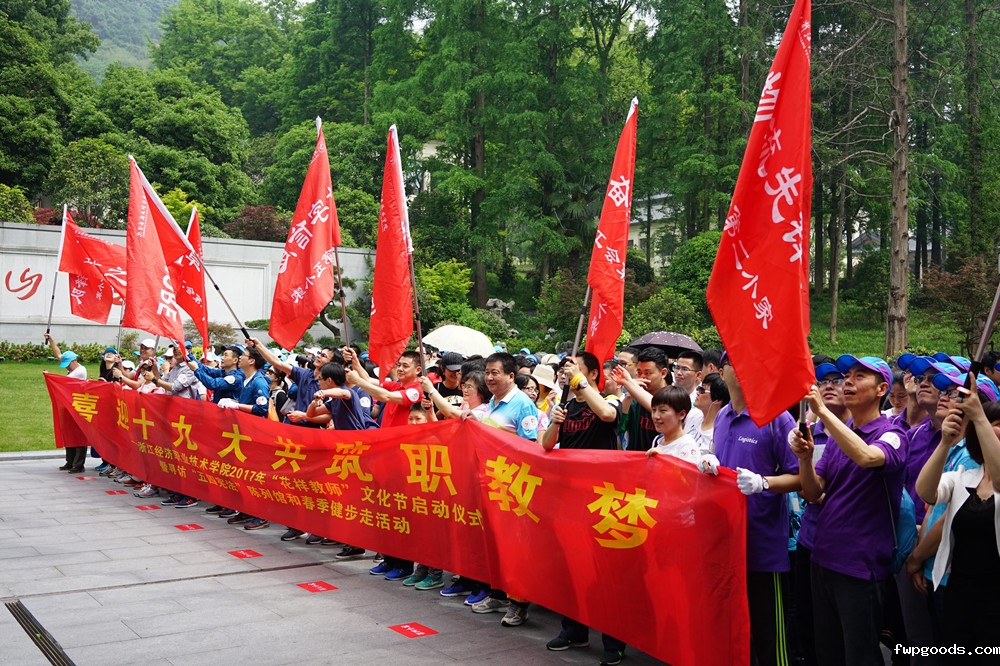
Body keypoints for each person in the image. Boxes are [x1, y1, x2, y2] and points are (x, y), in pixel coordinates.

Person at [790, 355, 907, 666]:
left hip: (860, 565)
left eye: (859, 376)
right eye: (847, 376)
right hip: (822, 558)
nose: (849, 382)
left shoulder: (893, 434)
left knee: (860, 654)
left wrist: (822, 413)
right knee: (827, 651)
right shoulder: (839, 436)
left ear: (882, 389)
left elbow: (868, 457)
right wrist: (805, 459)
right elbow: (813, 492)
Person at [715, 352, 801, 666]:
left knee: (770, 635)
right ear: (721, 372)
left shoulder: (777, 418)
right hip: (727, 543)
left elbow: (800, 477)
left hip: (763, 545)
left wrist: (764, 483)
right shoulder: (722, 416)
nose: (742, 367)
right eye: (733, 361)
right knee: (735, 629)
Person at [541, 352, 627, 665]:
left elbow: (607, 415)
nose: (567, 372)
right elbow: (547, 445)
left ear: (592, 373)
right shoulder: (566, 406)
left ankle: (613, 641)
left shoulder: (609, 399)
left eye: (575, 368)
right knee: (572, 568)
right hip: (570, 499)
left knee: (605, 574)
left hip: (602, 500)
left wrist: (580, 383)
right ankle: (574, 630)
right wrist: (555, 421)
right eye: (566, 369)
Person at [915, 379, 1000, 663]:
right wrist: (944, 442)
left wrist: (979, 417)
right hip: (958, 595)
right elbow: (926, 490)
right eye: (995, 424)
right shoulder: (964, 477)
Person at [469, 352, 539, 628]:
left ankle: (519, 604)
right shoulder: (492, 403)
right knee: (496, 543)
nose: (489, 377)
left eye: (495, 372)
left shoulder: (522, 404)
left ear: (511, 376)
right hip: (493, 484)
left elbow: (528, 446)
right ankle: (497, 594)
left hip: (514, 487)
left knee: (515, 547)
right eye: (487, 372)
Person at [348, 350, 423, 580]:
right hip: (386, 457)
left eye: (405, 366)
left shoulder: (416, 390)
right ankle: (389, 559)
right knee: (385, 510)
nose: (400, 369)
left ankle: (403, 564)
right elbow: (374, 384)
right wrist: (356, 363)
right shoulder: (397, 385)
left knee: (400, 513)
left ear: (418, 370)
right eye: (399, 364)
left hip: (403, 461)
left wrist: (358, 380)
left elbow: (387, 397)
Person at [217, 345, 272, 530]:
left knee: (255, 476)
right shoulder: (246, 380)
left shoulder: (259, 382)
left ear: (252, 361)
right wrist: (234, 403)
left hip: (255, 435)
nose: (240, 358)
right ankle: (246, 509)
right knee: (243, 474)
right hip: (243, 434)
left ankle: (261, 515)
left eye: (244, 355)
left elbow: (261, 409)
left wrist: (237, 406)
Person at [43, 332, 88, 473]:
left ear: (74, 361)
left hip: (79, 406)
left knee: (78, 434)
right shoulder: (73, 366)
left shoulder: (80, 371)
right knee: (69, 432)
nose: (66, 368)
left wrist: (49, 376)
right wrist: (51, 340)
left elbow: (63, 382)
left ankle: (78, 465)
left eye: (68, 365)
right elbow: (58, 354)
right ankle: (70, 461)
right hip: (69, 404)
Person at [612, 347, 670, 452]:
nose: (642, 377)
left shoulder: (674, 397)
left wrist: (630, 385)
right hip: (634, 458)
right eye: (639, 372)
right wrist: (629, 395)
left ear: (663, 373)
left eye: (648, 373)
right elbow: (620, 427)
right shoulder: (633, 399)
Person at [645, 385, 716, 467]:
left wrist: (664, 459)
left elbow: (688, 474)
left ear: (682, 414)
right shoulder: (658, 440)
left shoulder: (688, 446)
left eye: (662, 410)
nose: (656, 416)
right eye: (654, 410)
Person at [692, 372, 728, 452]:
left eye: (702, 390)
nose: (697, 393)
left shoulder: (719, 433)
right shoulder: (692, 416)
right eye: (699, 388)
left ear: (717, 399)